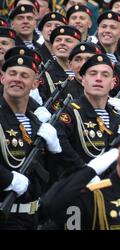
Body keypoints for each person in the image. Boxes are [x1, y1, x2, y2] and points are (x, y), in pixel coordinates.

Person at [0, 53, 62, 229]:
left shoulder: (37, 123)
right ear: (2, 78)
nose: (17, 79)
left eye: (24, 75)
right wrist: (7, 179)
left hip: (33, 217)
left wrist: (54, 152)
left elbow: (49, 177)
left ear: (35, 83)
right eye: (12, 74)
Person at [55, 54, 120, 174]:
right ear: (83, 80)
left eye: (105, 75)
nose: (98, 78)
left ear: (113, 83)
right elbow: (61, 145)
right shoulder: (71, 111)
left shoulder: (116, 118)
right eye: (93, 74)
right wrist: (85, 173)